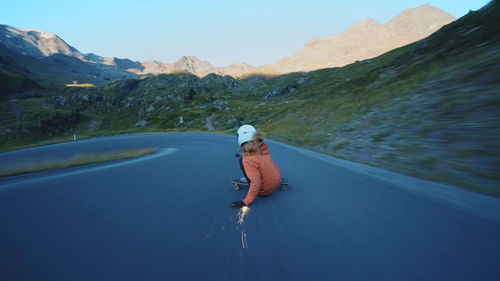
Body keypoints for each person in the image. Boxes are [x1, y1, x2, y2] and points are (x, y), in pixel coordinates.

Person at [231, 125, 282, 208]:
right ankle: (258, 176)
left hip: (264, 191)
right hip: (277, 180)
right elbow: (256, 157)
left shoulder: (247, 159)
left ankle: (250, 177)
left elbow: (256, 183)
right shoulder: (262, 148)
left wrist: (245, 202)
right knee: (245, 159)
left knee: (242, 161)